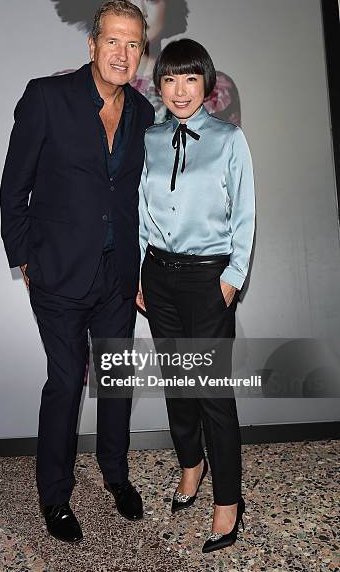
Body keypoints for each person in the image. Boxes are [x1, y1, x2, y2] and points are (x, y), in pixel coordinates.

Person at [0, 0, 155, 543]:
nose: (121, 53)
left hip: (117, 275)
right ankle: (55, 495)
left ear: (142, 52)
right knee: (66, 383)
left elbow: (133, 195)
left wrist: (139, 269)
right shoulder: (46, 97)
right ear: (91, 45)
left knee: (115, 382)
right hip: (59, 272)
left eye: (132, 43)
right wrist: (24, 258)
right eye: (111, 40)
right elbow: (14, 185)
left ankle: (116, 475)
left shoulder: (142, 113)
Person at [137, 39, 255, 553]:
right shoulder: (151, 138)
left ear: (206, 84)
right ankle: (192, 466)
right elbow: (140, 205)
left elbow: (246, 212)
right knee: (178, 385)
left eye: (190, 79)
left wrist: (234, 275)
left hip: (209, 279)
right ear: (159, 86)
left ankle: (228, 500)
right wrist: (140, 269)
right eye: (169, 79)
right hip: (157, 276)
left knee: (211, 392)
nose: (180, 90)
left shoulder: (230, 139)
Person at [48, 0, 241, 124]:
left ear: (170, 6)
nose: (142, 12)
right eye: (128, 2)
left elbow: (227, 162)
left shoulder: (212, 88)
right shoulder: (68, 88)